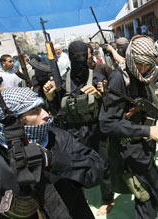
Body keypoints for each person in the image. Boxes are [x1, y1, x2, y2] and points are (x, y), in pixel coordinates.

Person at [0, 87, 104, 218]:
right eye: (35, 111)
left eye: (42, 107)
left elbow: (96, 171)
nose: (46, 114)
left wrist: (53, 159)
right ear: (14, 124)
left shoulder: (58, 138)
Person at [99, 35, 158, 219]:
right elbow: (107, 123)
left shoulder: (143, 76)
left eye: (147, 65)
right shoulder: (119, 78)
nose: (143, 69)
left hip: (144, 146)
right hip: (129, 148)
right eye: (139, 64)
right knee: (144, 193)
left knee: (152, 184)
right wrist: (148, 131)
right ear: (130, 58)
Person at [44, 41, 115, 216]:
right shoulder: (62, 80)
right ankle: (81, 196)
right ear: (70, 57)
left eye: (83, 56)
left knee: (103, 164)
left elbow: (111, 106)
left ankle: (107, 199)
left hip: (96, 129)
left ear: (88, 55)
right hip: (71, 131)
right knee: (73, 166)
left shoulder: (97, 77)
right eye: (76, 57)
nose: (80, 60)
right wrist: (49, 95)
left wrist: (100, 95)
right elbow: (55, 108)